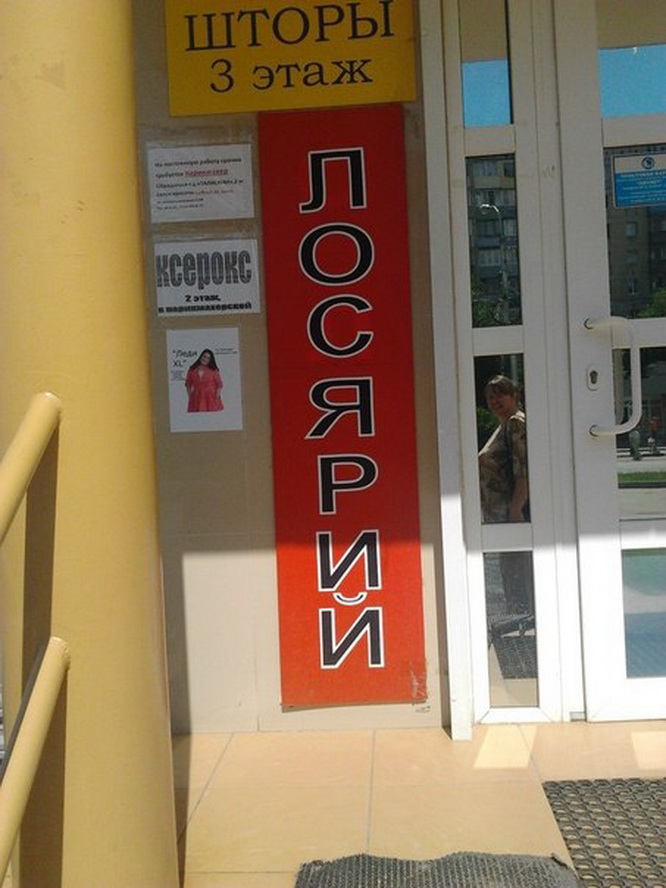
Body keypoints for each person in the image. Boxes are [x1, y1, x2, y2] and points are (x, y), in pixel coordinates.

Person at [478, 375, 533, 615]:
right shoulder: (504, 425)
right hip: (499, 512)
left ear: (514, 396)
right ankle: (519, 618)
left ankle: (523, 617)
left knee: (518, 567)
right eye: (490, 396)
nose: (494, 400)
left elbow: (524, 467)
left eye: (500, 394)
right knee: (511, 567)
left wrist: (516, 508)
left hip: (511, 511)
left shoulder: (516, 423)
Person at [185, 349, 223, 413]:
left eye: (208, 358)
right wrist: (191, 397)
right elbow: (188, 384)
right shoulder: (192, 369)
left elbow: (219, 385)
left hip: (210, 398)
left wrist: (216, 398)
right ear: (201, 356)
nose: (205, 359)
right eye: (204, 356)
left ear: (210, 360)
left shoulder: (214, 370)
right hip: (196, 398)